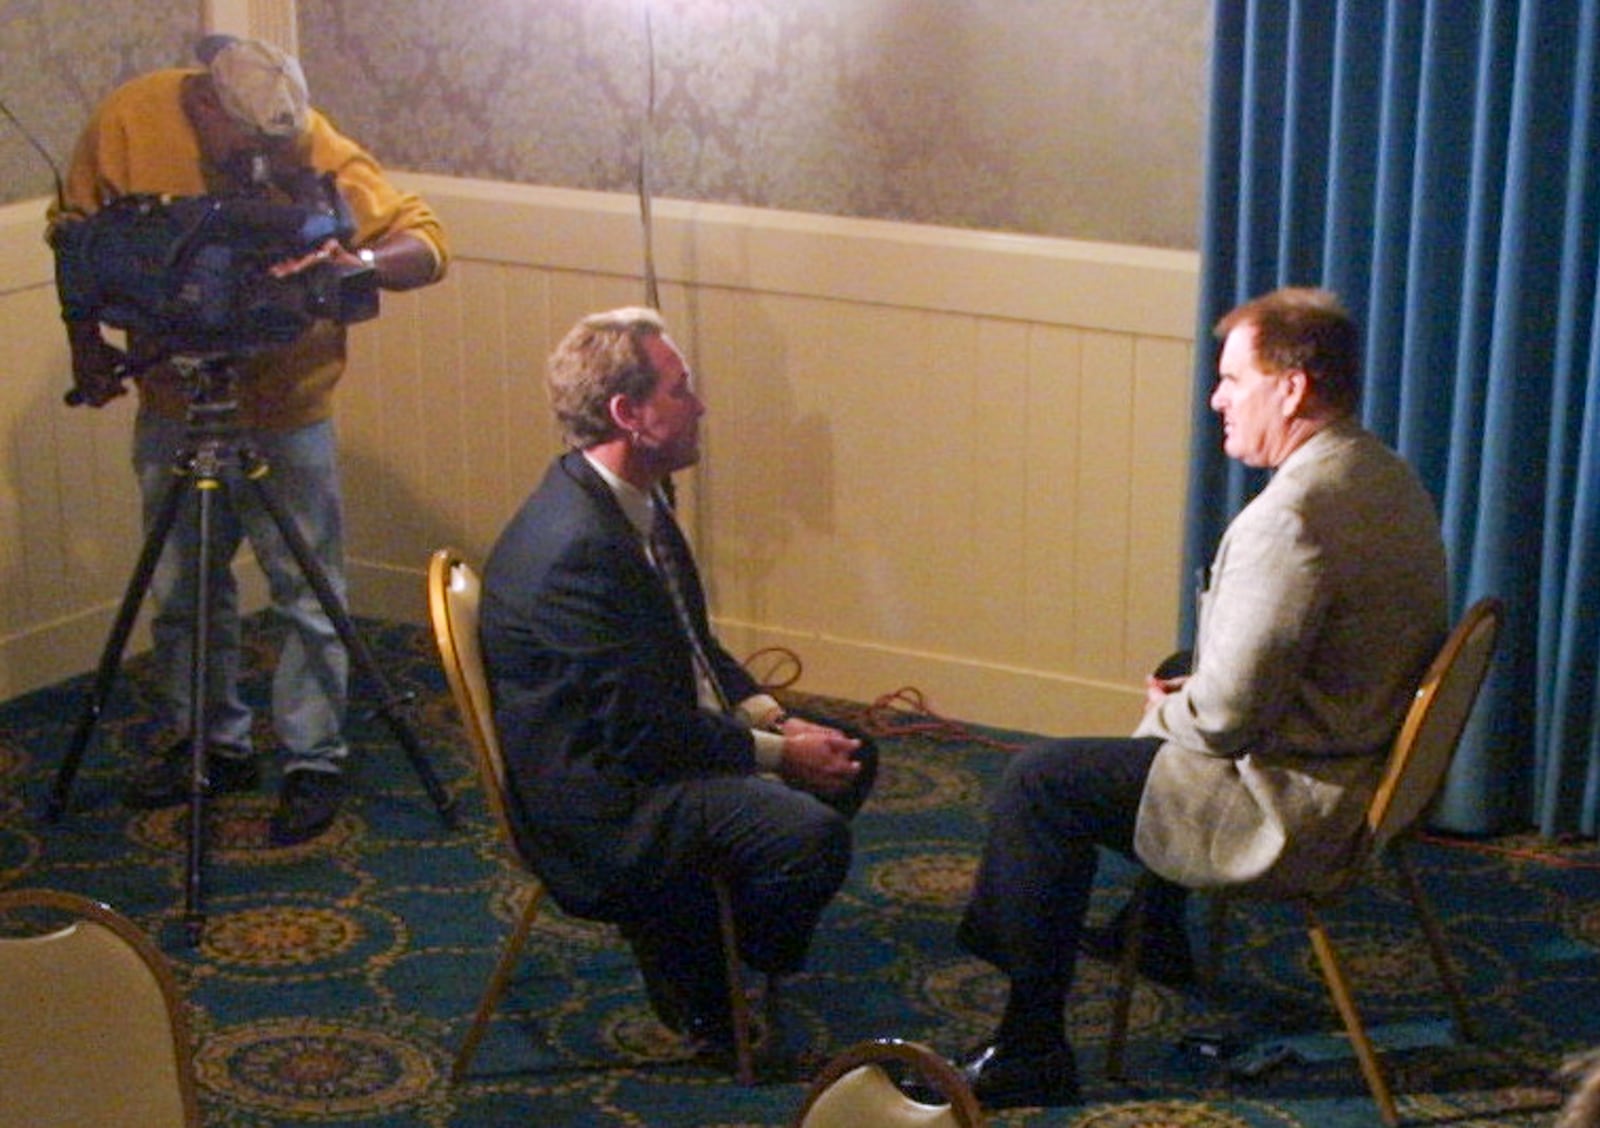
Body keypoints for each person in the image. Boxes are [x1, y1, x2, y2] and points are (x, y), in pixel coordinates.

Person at [944, 287, 1449, 1108]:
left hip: (1291, 805)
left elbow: (1222, 720)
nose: (1217, 397)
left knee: (1040, 785)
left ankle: (1030, 1043)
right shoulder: (1381, 474)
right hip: (1361, 756)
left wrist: (1172, 704)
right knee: (1186, 665)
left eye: (1232, 378)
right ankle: (1161, 928)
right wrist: (1197, 683)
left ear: (1291, 388)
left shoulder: (1290, 517)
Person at [48, 36, 450, 845]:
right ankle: (210, 743)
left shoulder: (302, 134)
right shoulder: (128, 120)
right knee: (182, 587)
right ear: (203, 105)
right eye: (250, 147)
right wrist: (88, 348)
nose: (266, 160)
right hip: (174, 396)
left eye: (278, 147)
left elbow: (428, 242)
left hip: (289, 402)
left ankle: (314, 757)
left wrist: (357, 262)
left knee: (307, 591)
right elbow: (75, 239)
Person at [479, 306, 877, 1058]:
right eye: (681, 389)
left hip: (642, 747)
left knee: (853, 754)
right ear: (630, 415)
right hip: (604, 808)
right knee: (810, 839)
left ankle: (702, 932)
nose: (700, 407)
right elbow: (646, 735)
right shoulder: (579, 549)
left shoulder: (631, 499)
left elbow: (691, 641)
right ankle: (698, 972)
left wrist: (774, 719)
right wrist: (778, 756)